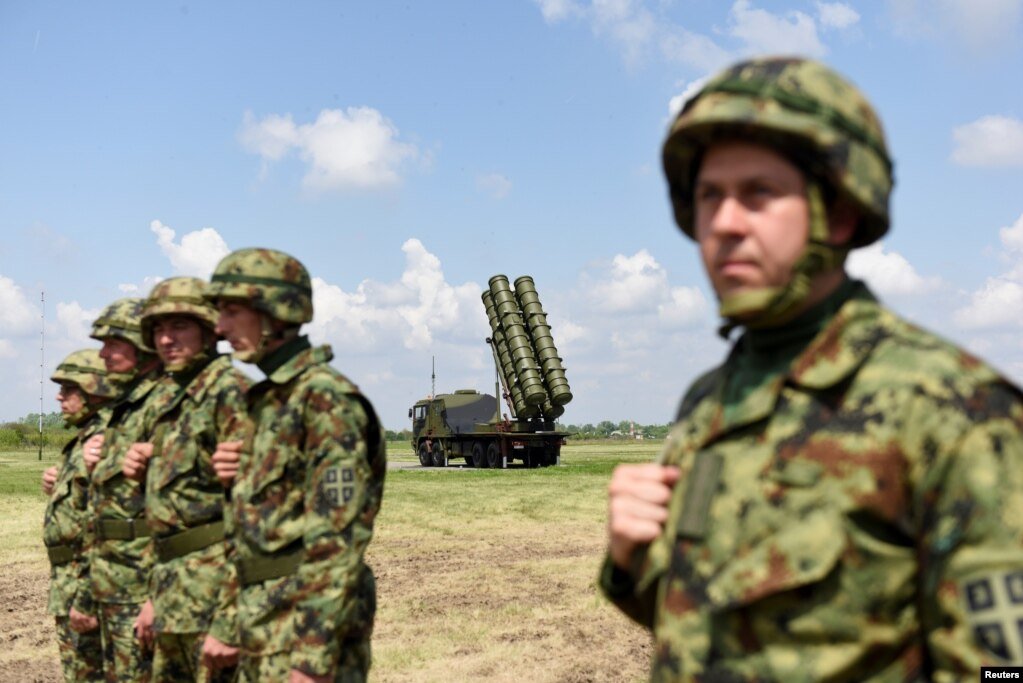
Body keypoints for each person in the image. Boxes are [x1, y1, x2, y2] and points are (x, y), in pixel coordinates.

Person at [600, 56, 1023, 680]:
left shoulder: (953, 409)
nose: (723, 224)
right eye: (709, 196)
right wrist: (630, 560)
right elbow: (710, 625)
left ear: (841, 212)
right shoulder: (710, 403)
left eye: (758, 195)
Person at [200, 248, 386, 683]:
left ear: (274, 312)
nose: (219, 328)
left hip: (298, 634)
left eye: (231, 311)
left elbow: (336, 541)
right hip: (261, 624)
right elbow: (255, 532)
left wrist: (312, 662)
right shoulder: (269, 402)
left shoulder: (324, 400)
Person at [120, 277, 250, 682]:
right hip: (172, 593)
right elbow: (171, 517)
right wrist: (154, 598)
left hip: (216, 598)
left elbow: (256, 520)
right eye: (158, 329)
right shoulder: (168, 399)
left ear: (210, 329)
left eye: (179, 326)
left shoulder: (231, 393)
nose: (165, 339)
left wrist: (230, 620)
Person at [86, 297, 163, 683]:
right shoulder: (127, 407)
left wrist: (157, 596)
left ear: (141, 343)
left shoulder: (163, 403)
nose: (103, 353)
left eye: (113, 343)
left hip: (144, 584)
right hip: (114, 582)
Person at [42, 349, 122, 682]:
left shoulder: (104, 440)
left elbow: (103, 525)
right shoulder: (83, 441)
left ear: (93, 390)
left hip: (85, 582)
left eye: (69, 389)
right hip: (68, 581)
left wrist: (87, 597)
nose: (60, 397)